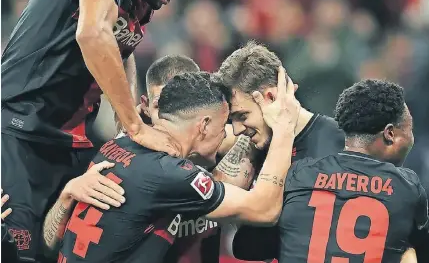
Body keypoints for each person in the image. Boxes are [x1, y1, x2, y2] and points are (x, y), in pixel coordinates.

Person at [1, 0, 212, 261]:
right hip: (20, 133)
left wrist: (122, 125)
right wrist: (136, 127)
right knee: (16, 252)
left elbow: (119, 45)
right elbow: (93, 32)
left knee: (64, 249)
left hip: (66, 137)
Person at [55, 68, 299, 263]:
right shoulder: (170, 174)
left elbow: (49, 245)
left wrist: (65, 197)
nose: (228, 134)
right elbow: (265, 209)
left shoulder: (119, 145)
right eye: (223, 124)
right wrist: (284, 127)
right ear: (203, 125)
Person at [276, 80, 429, 263]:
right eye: (410, 130)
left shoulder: (300, 173)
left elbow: (250, 247)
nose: (412, 138)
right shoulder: (407, 187)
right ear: (390, 134)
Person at [214, 41, 346, 260]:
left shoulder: (339, 144)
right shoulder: (258, 143)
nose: (236, 130)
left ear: (271, 98)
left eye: (242, 116)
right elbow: (221, 200)